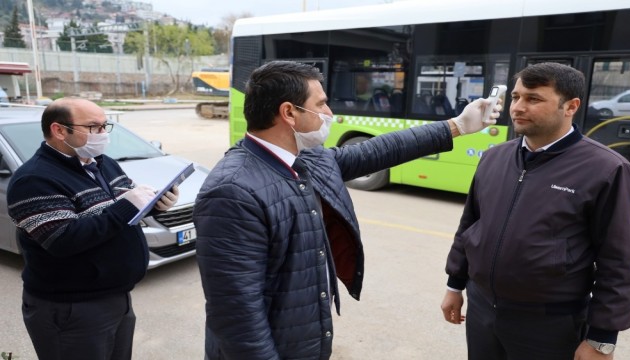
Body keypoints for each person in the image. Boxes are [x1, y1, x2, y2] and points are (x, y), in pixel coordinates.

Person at [194, 60, 501, 359]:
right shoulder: (232, 191)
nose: (330, 114)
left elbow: (380, 149)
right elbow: (236, 315)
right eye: (321, 104)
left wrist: (457, 126)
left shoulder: (307, 159)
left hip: (302, 337)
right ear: (289, 112)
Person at [441, 62, 630, 360]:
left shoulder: (608, 170)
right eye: (516, 97)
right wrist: (454, 284)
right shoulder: (494, 157)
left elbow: (619, 261)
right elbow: (470, 225)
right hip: (482, 310)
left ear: (570, 106)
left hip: (550, 323)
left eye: (533, 99)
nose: (518, 107)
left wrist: (602, 339)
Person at [7, 97, 180, 360]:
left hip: (115, 297)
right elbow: (63, 239)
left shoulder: (102, 162)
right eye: (93, 127)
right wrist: (126, 206)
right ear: (59, 130)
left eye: (104, 126)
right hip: (72, 307)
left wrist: (154, 205)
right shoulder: (34, 179)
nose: (102, 134)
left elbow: (119, 211)